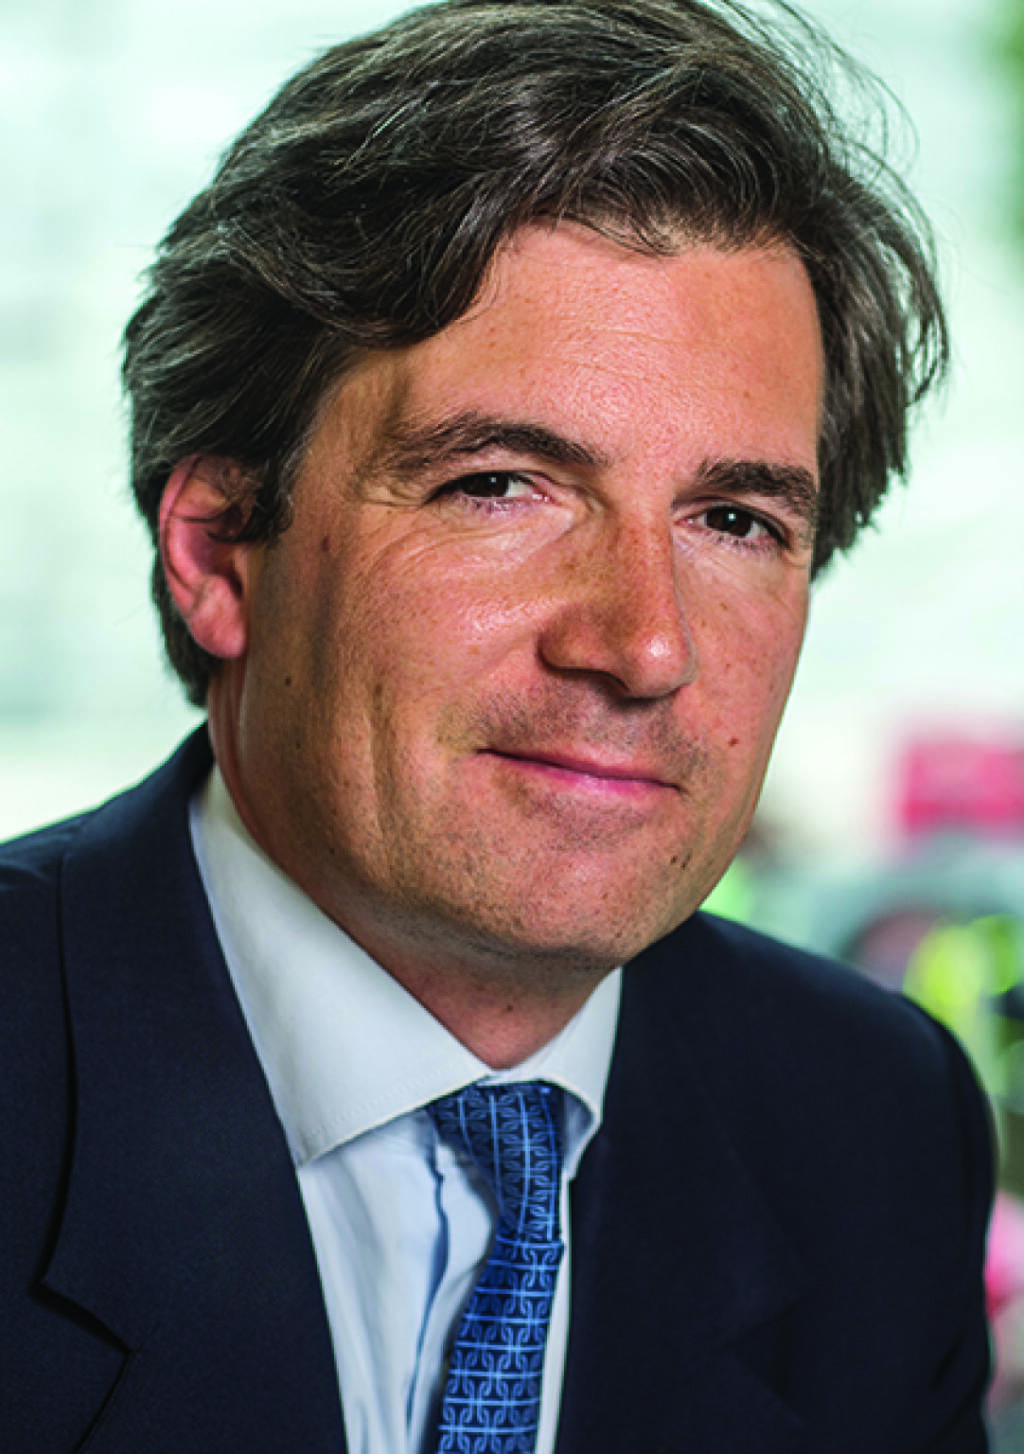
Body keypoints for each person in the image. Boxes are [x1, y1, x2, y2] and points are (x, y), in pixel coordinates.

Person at [0, 0, 993, 1449]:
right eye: (499, 485)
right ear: (218, 552)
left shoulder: (874, 1124)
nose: (645, 646)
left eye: (733, 519)